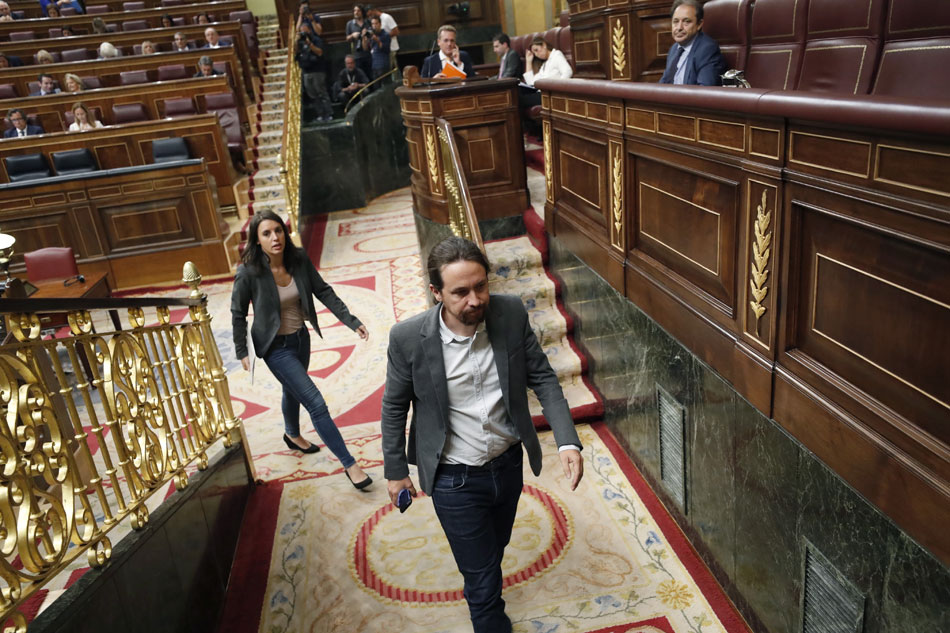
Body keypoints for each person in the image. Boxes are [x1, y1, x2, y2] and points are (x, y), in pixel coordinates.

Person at [381, 237, 584, 633]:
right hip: (453, 476)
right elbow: (394, 406)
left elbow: (542, 377)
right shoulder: (408, 339)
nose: (475, 299)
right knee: (483, 574)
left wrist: (567, 440)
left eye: (481, 286)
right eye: (460, 292)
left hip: (507, 463)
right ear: (436, 292)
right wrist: (394, 470)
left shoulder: (508, 313)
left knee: (495, 546)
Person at [231, 211, 373, 489]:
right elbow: (237, 312)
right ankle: (350, 464)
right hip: (275, 348)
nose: (275, 238)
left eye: (279, 231)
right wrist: (241, 350)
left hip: (300, 340)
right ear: (257, 241)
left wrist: (350, 321)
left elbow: (324, 291)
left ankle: (292, 434)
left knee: (292, 390)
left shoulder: (298, 260)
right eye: (267, 234)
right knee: (315, 403)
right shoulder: (249, 271)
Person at [659, 0, 726, 86]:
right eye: (675, 21)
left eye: (686, 21)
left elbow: (705, 91)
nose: (679, 27)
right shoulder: (674, 49)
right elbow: (663, 85)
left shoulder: (707, 49)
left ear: (699, 24)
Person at [295, 21, 332, 122]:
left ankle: (328, 114)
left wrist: (310, 44)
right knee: (313, 95)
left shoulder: (316, 40)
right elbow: (296, 53)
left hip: (318, 71)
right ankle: (320, 114)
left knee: (321, 93)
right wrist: (297, 41)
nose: (304, 34)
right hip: (306, 71)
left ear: (310, 31)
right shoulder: (301, 43)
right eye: (302, 32)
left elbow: (319, 52)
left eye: (305, 32)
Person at [368, 5, 398, 70]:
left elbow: (396, 31)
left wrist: (382, 38)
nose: (370, 17)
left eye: (370, 14)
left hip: (391, 49)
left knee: (391, 71)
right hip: (379, 52)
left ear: (374, 11)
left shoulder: (386, 17)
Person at [345, 4, 371, 79]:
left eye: (358, 11)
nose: (356, 12)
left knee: (370, 76)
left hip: (369, 53)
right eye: (354, 11)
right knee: (360, 77)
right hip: (357, 55)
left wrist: (366, 33)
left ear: (362, 12)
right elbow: (347, 38)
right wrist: (352, 35)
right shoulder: (350, 24)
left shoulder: (368, 22)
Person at [363, 15, 390, 81]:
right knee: (376, 87)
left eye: (376, 23)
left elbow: (386, 49)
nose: (374, 26)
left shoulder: (385, 35)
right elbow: (365, 48)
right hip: (374, 65)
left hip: (383, 65)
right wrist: (364, 38)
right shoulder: (371, 34)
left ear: (380, 24)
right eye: (373, 24)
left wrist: (377, 40)